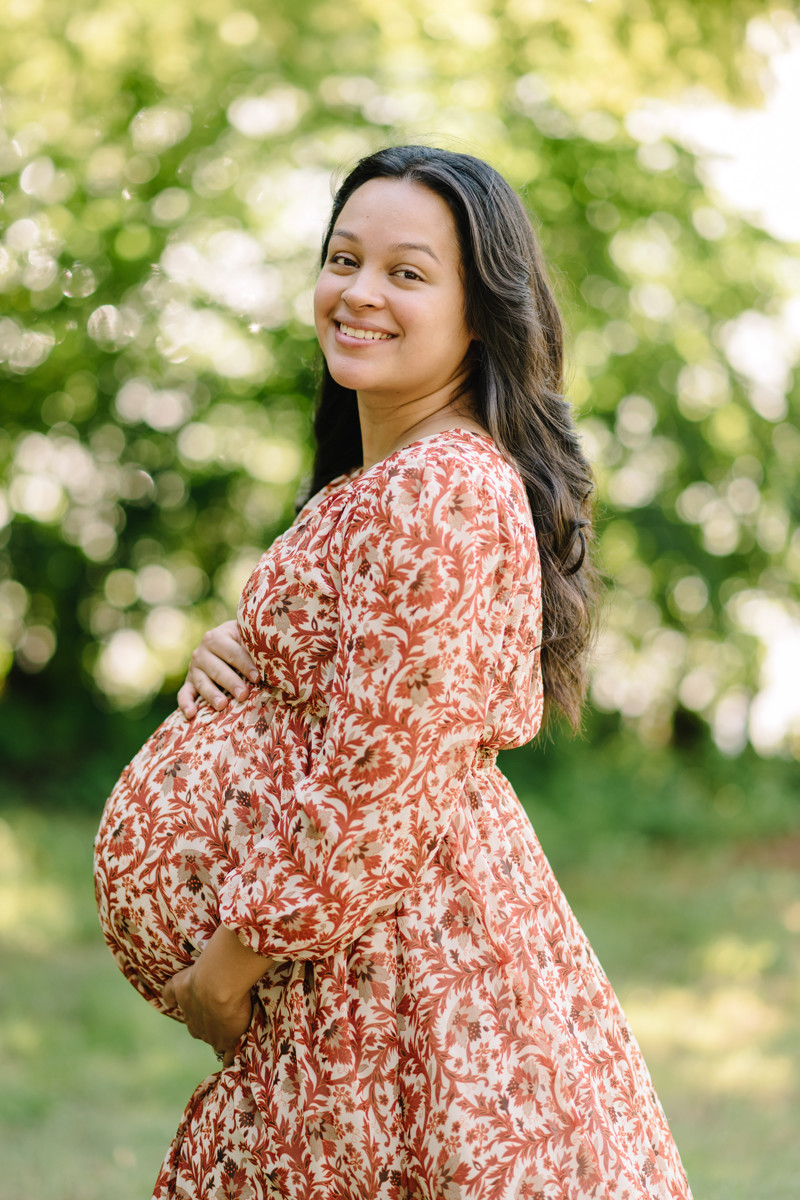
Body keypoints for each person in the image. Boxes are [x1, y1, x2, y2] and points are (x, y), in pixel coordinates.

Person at [94, 145, 693, 1200]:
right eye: (341, 259)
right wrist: (243, 663)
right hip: (347, 981)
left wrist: (225, 976)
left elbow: (378, 778)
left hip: (399, 987)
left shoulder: (445, 488)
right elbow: (369, 701)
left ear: (479, 314)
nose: (358, 292)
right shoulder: (392, 483)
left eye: (406, 273)